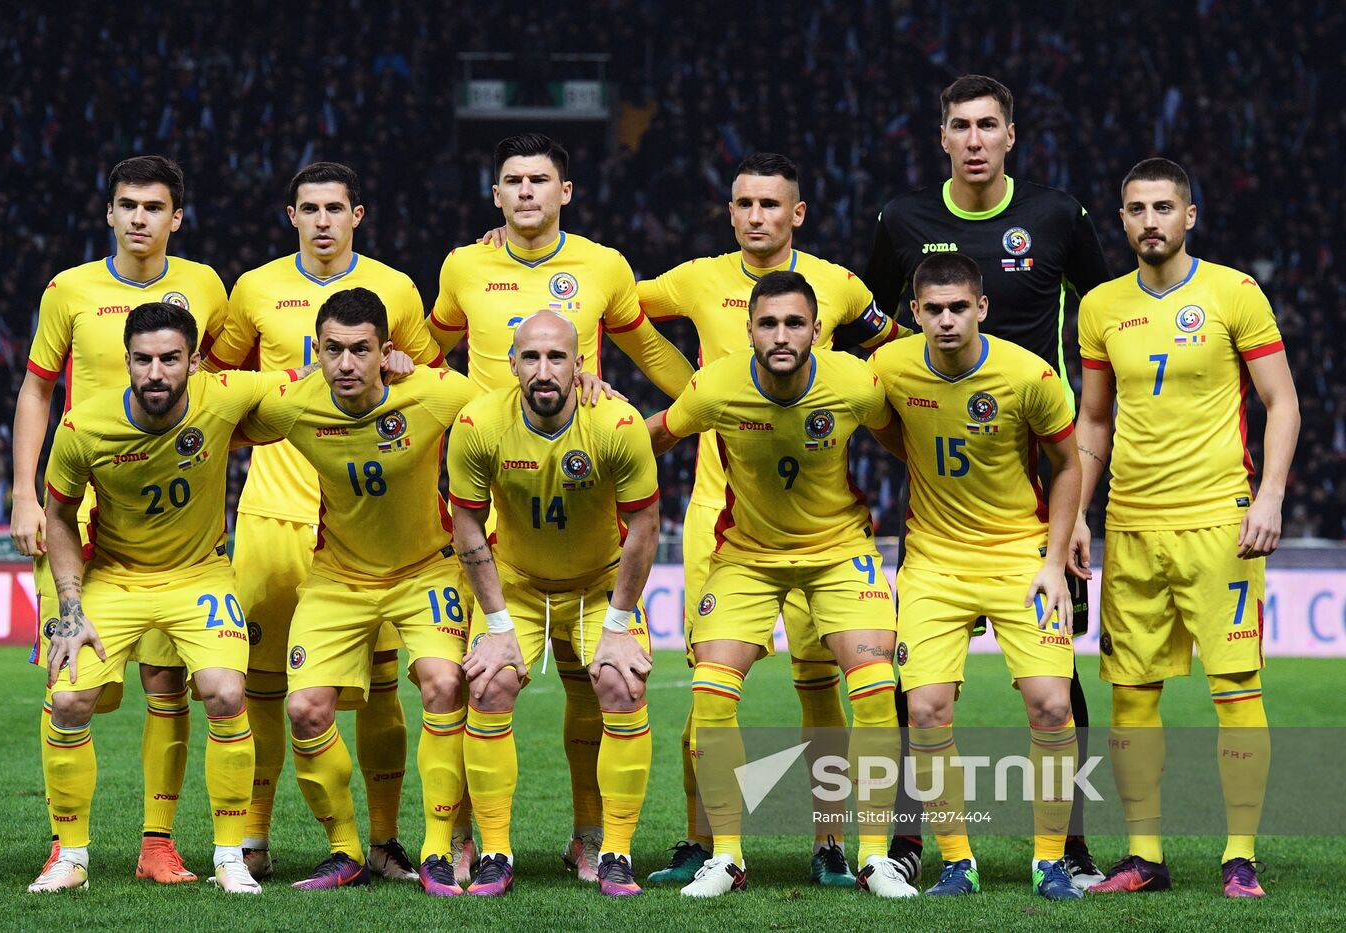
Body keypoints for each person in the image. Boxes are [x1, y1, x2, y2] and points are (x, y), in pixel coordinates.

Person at [860, 73, 1110, 886]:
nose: (973, 139)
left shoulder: (1057, 215)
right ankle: (912, 840)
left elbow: (1101, 327)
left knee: (1058, 689)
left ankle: (1063, 847)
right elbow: (868, 319)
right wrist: (920, 436)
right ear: (942, 137)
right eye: (959, 126)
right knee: (922, 698)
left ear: (1011, 134)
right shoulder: (902, 219)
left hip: (1038, 479)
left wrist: (1071, 522)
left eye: (987, 125)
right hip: (942, 472)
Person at [636, 151, 910, 886]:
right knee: (708, 682)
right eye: (744, 203)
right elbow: (619, 312)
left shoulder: (841, 287)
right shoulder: (697, 278)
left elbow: (891, 353)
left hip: (826, 525)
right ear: (730, 212)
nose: (756, 215)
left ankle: (836, 843)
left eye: (770, 204)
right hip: (725, 520)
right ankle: (707, 844)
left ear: (798, 214)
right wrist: (679, 378)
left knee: (826, 683)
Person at [434, 132, 692, 882]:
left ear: (565, 192)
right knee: (473, 676)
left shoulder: (604, 266)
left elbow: (646, 349)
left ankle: (594, 837)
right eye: (511, 180)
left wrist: (703, 402)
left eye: (539, 180)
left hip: (581, 481)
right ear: (495, 195)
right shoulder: (463, 264)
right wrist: (397, 367)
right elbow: (430, 345)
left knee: (599, 682)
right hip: (493, 477)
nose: (525, 192)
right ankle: (468, 839)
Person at [204, 162, 442, 882]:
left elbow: (428, 386)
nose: (323, 220)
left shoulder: (395, 290)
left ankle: (385, 841)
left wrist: (401, 364)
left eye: (335, 207)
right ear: (291, 215)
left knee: (383, 684)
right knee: (266, 687)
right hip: (274, 513)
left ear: (357, 215)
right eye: (310, 208)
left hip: (369, 521)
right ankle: (254, 836)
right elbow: (215, 391)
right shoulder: (253, 289)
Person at [28, 302, 311, 894]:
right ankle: (70, 857)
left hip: (199, 576)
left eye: (170, 359)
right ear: (126, 360)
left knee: (226, 693)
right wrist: (69, 611)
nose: (156, 372)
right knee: (71, 700)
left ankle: (229, 856)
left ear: (193, 361)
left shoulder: (224, 393)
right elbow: (57, 516)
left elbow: (306, 383)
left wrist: (390, 363)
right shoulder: (84, 427)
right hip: (114, 577)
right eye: (143, 360)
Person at [1074, 158, 1298, 899]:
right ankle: (1144, 857)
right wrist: (1076, 512)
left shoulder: (1234, 291)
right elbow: (1095, 421)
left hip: (1219, 523)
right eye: (1135, 208)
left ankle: (1240, 856)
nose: (1149, 221)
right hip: (1132, 523)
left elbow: (1282, 402)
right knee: (1130, 693)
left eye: (1163, 207)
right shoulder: (1101, 306)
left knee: (1235, 686)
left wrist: (1268, 496)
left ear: (1189, 215)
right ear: (1122, 219)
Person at [12, 155, 229, 884]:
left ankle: (156, 842)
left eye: (154, 206)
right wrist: (22, 491)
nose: (140, 217)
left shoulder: (205, 286)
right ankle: (65, 843)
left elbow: (223, 380)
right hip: (81, 504)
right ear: (109, 213)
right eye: (127, 205)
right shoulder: (69, 290)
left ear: (177, 216)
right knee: (78, 685)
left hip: (166, 515)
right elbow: (38, 389)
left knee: (169, 684)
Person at [237, 287, 479, 894]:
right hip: (338, 579)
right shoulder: (294, 402)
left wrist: (590, 387)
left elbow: (513, 412)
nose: (345, 364)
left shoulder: (434, 392)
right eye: (333, 351)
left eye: (360, 351)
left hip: (426, 571)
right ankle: (345, 851)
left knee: (444, 684)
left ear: (385, 352)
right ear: (315, 352)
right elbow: (214, 423)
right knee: (304, 708)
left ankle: (435, 850)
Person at [868, 252, 1085, 900]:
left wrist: (1052, 562)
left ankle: (1051, 861)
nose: (946, 320)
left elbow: (1067, 465)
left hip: (1021, 555)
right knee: (927, 710)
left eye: (959, 307)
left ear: (982, 307)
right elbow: (886, 428)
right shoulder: (891, 366)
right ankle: (957, 861)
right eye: (932, 309)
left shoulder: (1029, 375)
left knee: (1051, 703)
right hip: (933, 561)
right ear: (915, 314)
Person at [448, 310, 660, 897]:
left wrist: (618, 626)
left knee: (622, 682)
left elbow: (644, 528)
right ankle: (494, 850)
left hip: (598, 583)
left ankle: (610, 850)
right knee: (488, 686)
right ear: (511, 363)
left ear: (579, 365)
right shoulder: (479, 423)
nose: (544, 371)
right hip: (515, 582)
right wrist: (494, 625)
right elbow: (466, 524)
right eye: (532, 358)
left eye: (557, 357)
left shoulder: (615, 423)